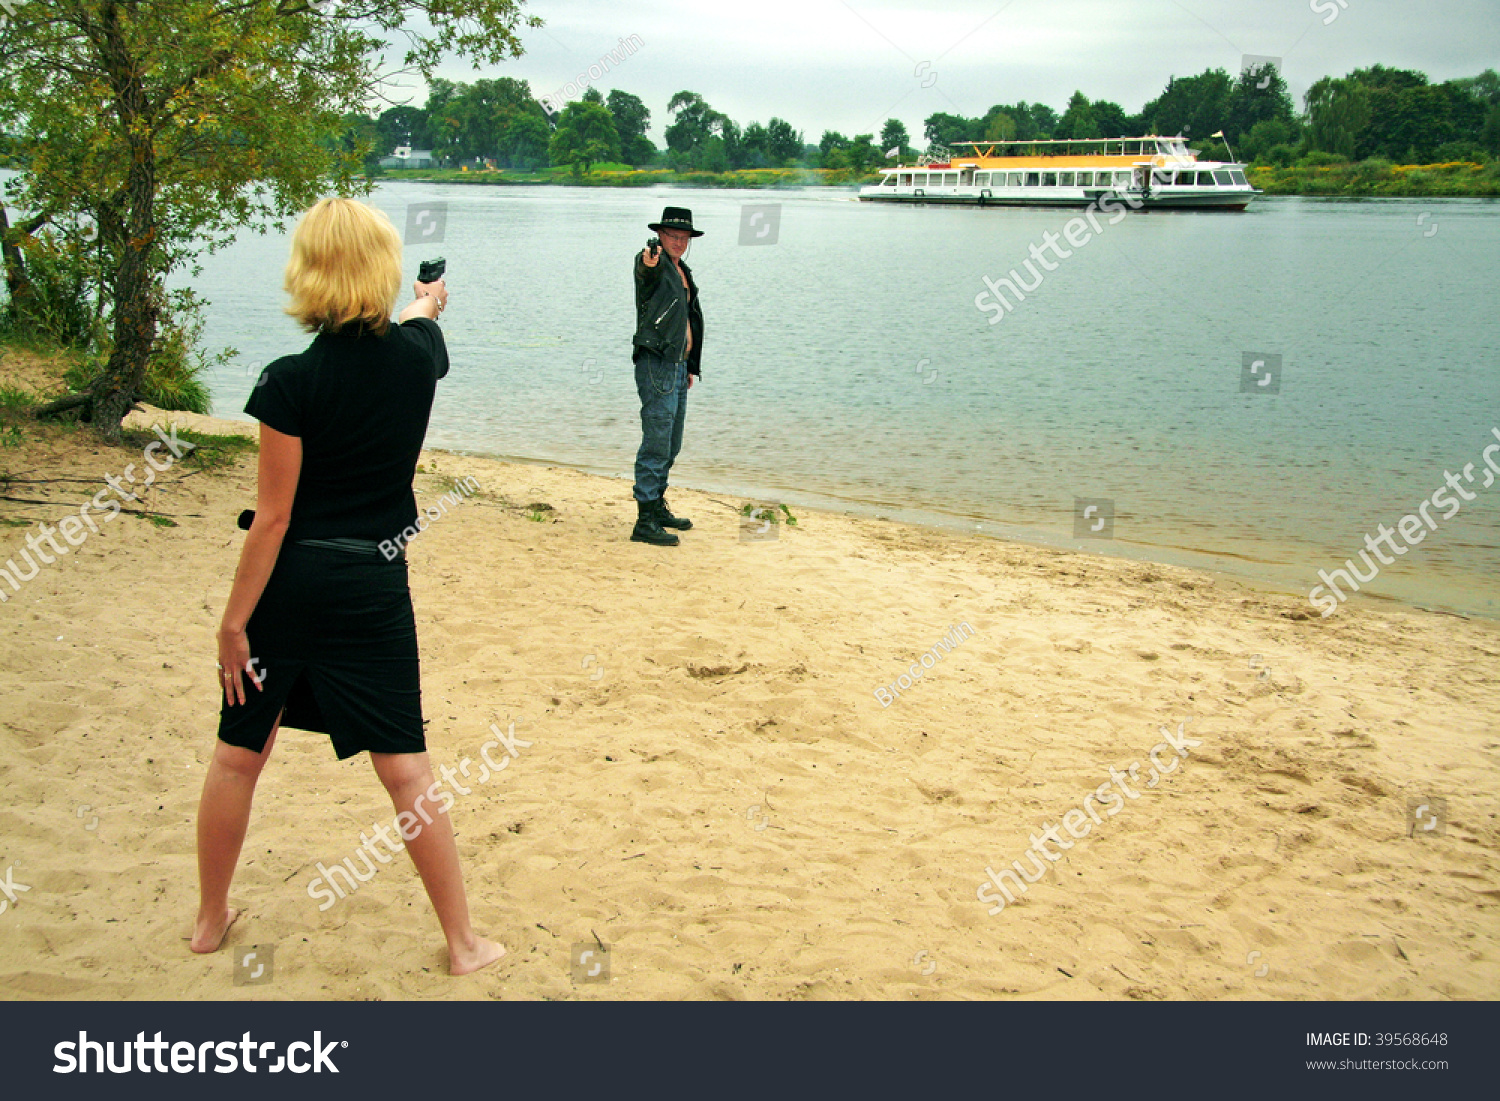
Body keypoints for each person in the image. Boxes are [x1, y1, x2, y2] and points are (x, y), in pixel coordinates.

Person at [190, 197, 504, 976]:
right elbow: (420, 326)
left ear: (309, 272)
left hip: (291, 585)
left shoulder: (287, 382)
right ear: (383, 271)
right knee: (406, 768)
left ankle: (207, 921)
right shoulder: (416, 360)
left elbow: (272, 521)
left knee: (238, 756)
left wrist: (234, 623)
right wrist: (429, 303)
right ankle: (463, 943)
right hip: (372, 583)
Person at [630, 205, 704, 546]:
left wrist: (690, 365)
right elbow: (646, 272)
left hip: (677, 365)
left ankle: (657, 506)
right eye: (672, 236)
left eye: (683, 237)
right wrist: (650, 260)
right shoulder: (655, 263)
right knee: (657, 441)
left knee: (671, 442)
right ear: (660, 235)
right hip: (657, 361)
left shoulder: (682, 269)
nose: (678, 241)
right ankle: (644, 521)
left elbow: (687, 318)